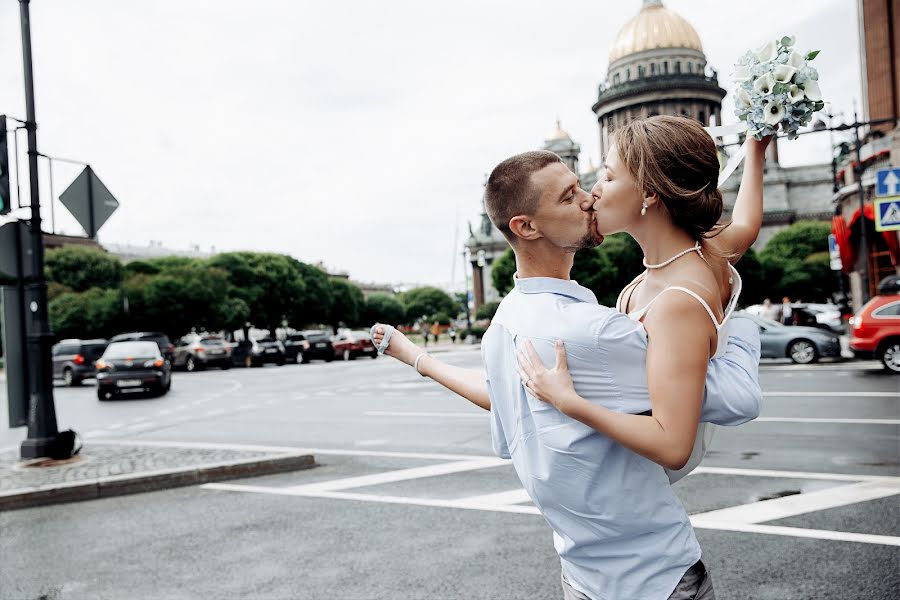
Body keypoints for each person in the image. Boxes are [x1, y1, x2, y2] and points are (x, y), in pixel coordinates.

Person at [372, 148, 762, 599]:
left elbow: (501, 395)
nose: (588, 198)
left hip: (584, 575)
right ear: (526, 226)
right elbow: (734, 399)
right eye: (568, 196)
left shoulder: (505, 325)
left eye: (587, 185)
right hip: (653, 574)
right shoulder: (595, 331)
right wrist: (742, 330)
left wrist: (417, 358)